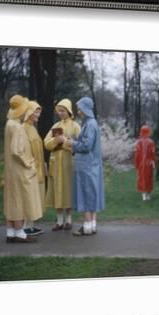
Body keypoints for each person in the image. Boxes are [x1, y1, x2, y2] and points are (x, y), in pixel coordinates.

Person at [62, 97, 105, 236]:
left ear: (85, 109)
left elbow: (86, 146)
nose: (78, 111)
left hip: (87, 166)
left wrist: (71, 143)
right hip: (91, 165)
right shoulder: (91, 123)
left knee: (86, 196)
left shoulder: (90, 124)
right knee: (91, 195)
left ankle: (86, 227)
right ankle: (92, 225)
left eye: (80, 108)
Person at [3, 94, 42, 243]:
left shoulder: (9, 124)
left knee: (11, 200)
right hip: (19, 170)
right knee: (18, 200)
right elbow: (16, 150)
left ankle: (11, 232)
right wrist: (29, 162)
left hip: (11, 170)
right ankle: (19, 233)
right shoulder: (17, 127)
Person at [44, 99, 81, 231]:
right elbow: (46, 143)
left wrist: (65, 143)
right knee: (57, 190)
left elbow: (80, 145)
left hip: (68, 162)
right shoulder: (55, 126)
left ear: (69, 111)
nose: (60, 113)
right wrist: (55, 140)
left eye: (63, 110)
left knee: (68, 189)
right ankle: (59, 220)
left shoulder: (75, 126)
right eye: (59, 111)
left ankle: (69, 219)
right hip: (55, 162)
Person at [23, 101, 45, 236]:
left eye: (39, 112)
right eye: (36, 112)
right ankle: (25, 226)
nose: (38, 115)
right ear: (29, 112)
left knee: (35, 198)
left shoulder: (33, 128)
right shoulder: (23, 128)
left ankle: (31, 226)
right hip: (29, 168)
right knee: (28, 197)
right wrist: (29, 165)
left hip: (38, 168)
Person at [134, 125, 156, 201]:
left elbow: (136, 154)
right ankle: (148, 195)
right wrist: (154, 162)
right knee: (149, 178)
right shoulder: (151, 142)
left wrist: (136, 164)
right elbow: (153, 153)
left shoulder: (139, 142)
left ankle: (143, 196)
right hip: (149, 163)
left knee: (142, 178)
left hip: (141, 164)